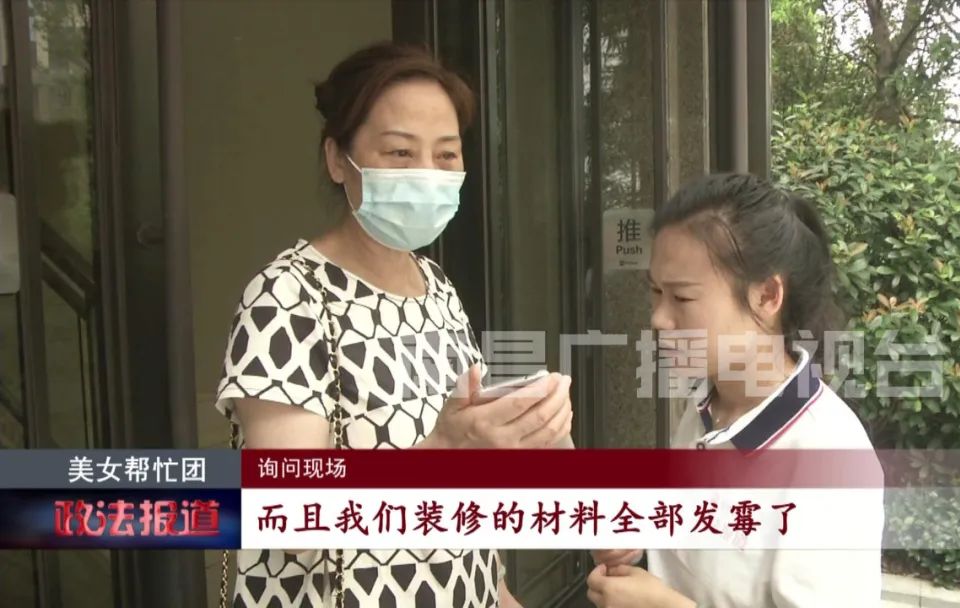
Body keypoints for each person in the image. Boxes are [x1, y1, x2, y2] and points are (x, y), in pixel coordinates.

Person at [213, 41, 573, 608]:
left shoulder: (437, 287)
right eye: (401, 153)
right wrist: (444, 453)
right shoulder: (287, 295)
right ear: (338, 159)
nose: (428, 174)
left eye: (447, 154)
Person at [586, 173, 883, 607]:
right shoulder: (707, 407)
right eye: (655, 291)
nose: (658, 319)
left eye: (682, 298)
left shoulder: (832, 458)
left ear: (767, 296)